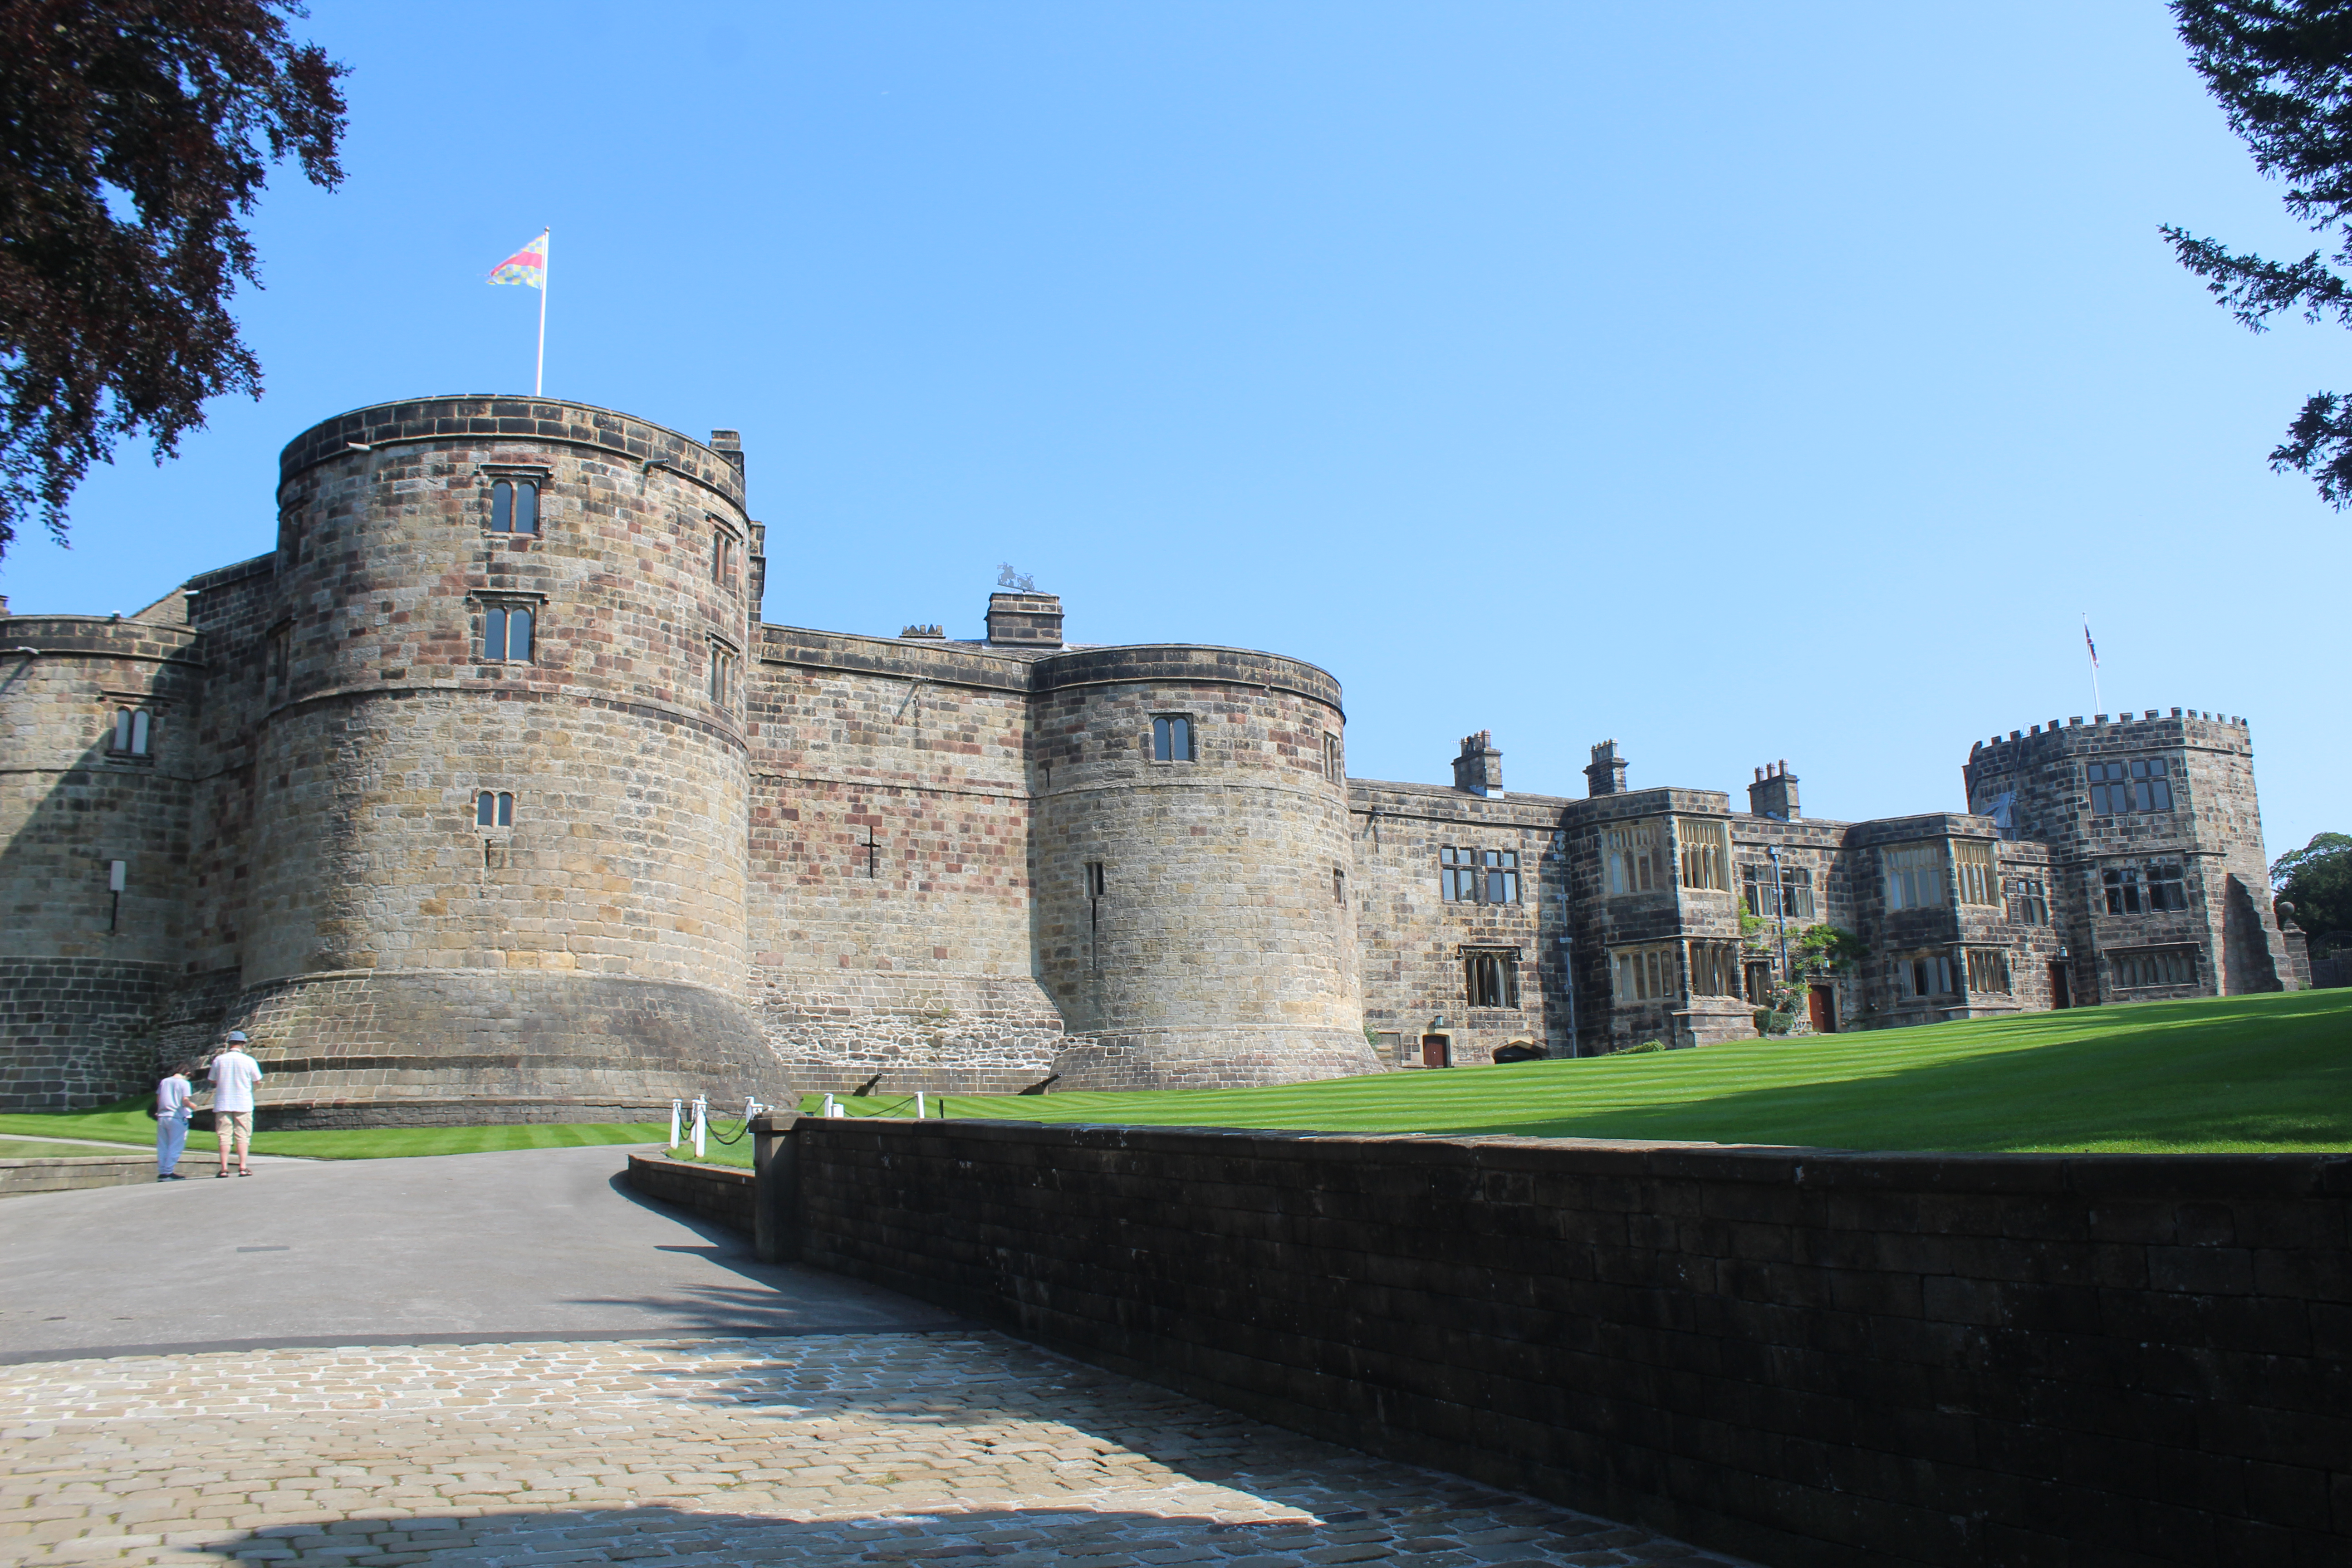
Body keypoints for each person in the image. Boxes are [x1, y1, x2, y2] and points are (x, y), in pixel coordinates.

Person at [207, 1030, 265, 1178]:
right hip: (243, 1102)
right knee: (243, 1135)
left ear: (229, 1044)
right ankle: (243, 1167)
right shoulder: (249, 1060)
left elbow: (212, 1079)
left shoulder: (219, 1060)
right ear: (243, 1044)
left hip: (223, 1101)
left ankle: (224, 1168)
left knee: (224, 1136)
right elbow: (257, 1080)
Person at [154, 1064, 193, 1180]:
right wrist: (193, 1106)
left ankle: (162, 1171)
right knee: (176, 1145)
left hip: (163, 1116)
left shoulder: (165, 1082)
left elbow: (159, 1099)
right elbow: (185, 1101)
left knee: (163, 1145)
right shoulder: (185, 1083)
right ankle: (168, 1172)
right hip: (177, 1117)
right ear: (187, 1074)